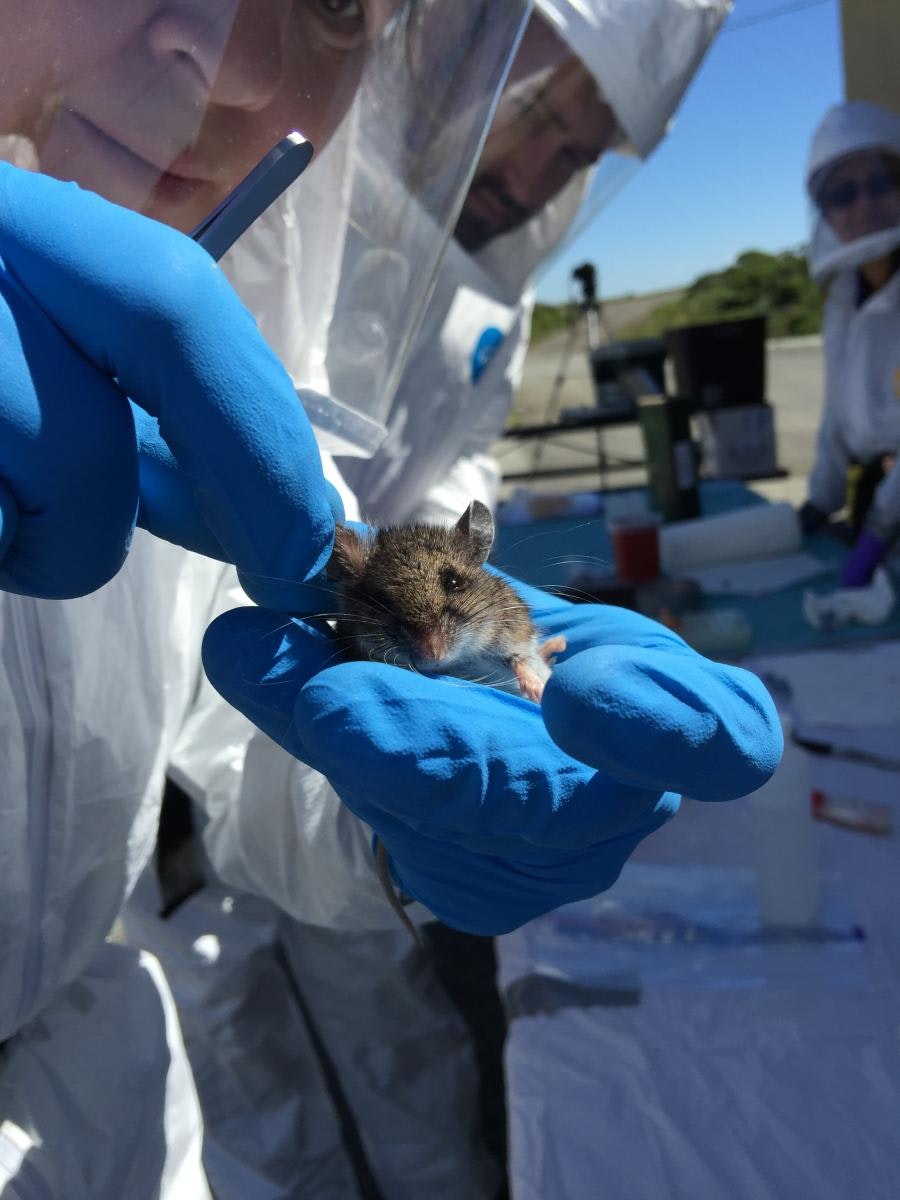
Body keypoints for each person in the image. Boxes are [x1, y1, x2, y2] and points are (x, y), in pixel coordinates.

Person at [118, 4, 784, 1198]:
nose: (532, 168)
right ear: (456, 34)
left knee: (406, 1058)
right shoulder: (242, 171)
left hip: (324, 731)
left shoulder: (499, 286)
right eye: (534, 106)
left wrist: (373, 814)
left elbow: (457, 498)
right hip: (140, 805)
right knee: (239, 1099)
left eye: (579, 150)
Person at [0, 3, 535, 1197]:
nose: (241, 62)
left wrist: (394, 811)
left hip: (110, 1094)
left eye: (340, 2)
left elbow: (225, 729)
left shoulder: (220, 273)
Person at [799, 101, 900, 587]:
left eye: (881, 182)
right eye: (842, 193)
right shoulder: (842, 298)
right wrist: (820, 502)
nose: (862, 205)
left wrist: (880, 530)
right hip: (874, 511)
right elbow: (836, 416)